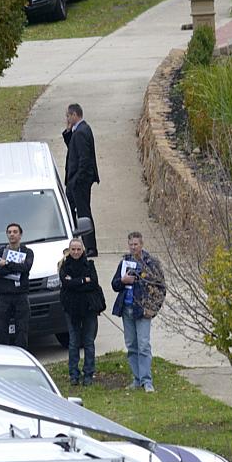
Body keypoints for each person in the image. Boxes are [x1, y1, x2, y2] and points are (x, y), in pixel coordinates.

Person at [111, 231, 165, 392]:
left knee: (143, 345)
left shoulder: (151, 263)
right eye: (131, 244)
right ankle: (137, 378)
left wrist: (153, 308)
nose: (133, 247)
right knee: (131, 345)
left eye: (136, 244)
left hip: (143, 311)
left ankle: (147, 381)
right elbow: (114, 285)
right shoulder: (124, 262)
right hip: (126, 309)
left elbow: (161, 288)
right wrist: (123, 280)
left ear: (142, 244)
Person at [58, 238, 103, 386]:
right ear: (69, 251)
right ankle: (74, 374)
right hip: (71, 310)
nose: (76, 252)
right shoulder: (64, 266)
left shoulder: (90, 265)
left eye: (78, 249)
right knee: (73, 342)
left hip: (89, 308)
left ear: (83, 250)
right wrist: (84, 281)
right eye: (73, 249)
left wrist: (75, 283)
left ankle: (89, 373)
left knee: (89, 342)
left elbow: (94, 283)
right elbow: (66, 284)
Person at [62, 103, 99, 254]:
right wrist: (68, 131)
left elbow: (85, 159)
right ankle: (74, 241)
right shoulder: (77, 131)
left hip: (79, 182)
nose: (67, 118)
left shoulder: (82, 132)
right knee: (69, 209)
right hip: (73, 181)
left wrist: (77, 179)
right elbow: (71, 146)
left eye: (68, 116)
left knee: (83, 213)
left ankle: (90, 247)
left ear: (75, 115)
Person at [0, 223, 34, 346]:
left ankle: (22, 354)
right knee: (1, 330)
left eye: (15, 232)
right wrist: (16, 267)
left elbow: (25, 267)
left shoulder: (27, 251)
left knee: (22, 329)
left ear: (20, 235)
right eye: (9, 232)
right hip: (4, 296)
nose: (12, 234)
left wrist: (7, 264)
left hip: (21, 295)